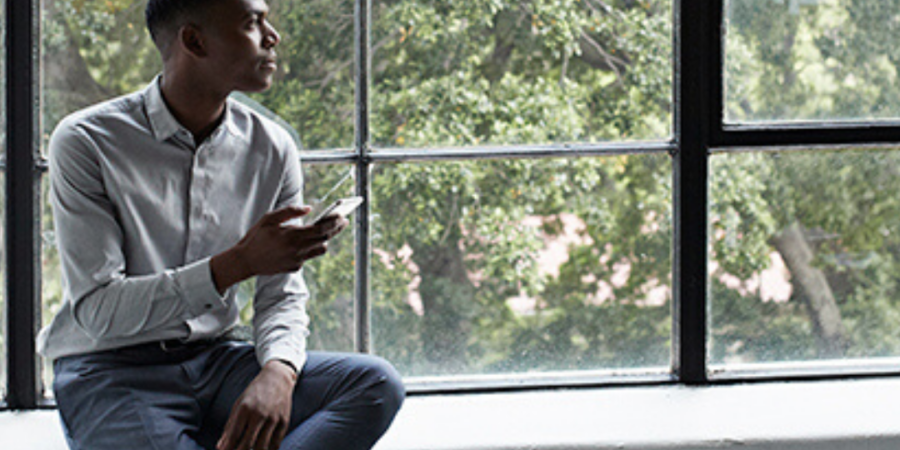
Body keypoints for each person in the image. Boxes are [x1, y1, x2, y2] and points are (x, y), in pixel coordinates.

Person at [36, 0, 405, 448]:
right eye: (253, 23)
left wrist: (278, 373)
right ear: (194, 40)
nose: (273, 37)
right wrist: (236, 264)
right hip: (112, 370)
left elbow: (282, 296)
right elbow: (98, 312)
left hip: (217, 362)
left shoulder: (272, 147)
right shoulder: (87, 141)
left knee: (374, 384)